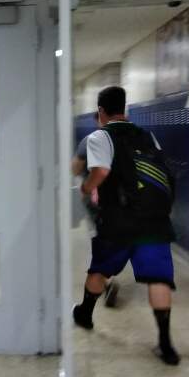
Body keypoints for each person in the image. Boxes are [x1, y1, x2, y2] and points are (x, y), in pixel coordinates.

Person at [73, 86, 181, 366]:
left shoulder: (100, 136)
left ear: (100, 112)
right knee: (158, 278)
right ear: (126, 110)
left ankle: (85, 313)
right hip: (154, 219)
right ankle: (166, 344)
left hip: (117, 220)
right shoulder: (147, 136)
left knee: (100, 268)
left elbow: (101, 172)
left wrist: (86, 188)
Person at [71, 132, 120, 308]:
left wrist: (84, 185)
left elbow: (76, 168)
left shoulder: (90, 141)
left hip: (97, 200)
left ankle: (105, 282)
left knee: (98, 239)